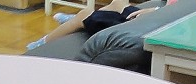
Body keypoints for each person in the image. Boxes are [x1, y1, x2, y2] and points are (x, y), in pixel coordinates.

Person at [26, 0, 160, 49]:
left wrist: (154, 12)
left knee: (84, 14)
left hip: (143, 24)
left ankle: (41, 43)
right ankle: (78, 20)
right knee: (117, 3)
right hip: (154, 16)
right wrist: (155, 10)